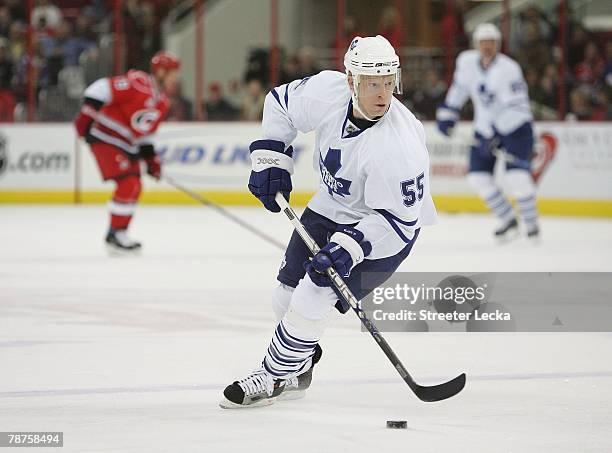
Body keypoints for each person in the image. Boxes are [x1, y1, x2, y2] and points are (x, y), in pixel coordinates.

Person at [221, 35, 436, 408]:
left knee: (312, 295)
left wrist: (349, 249)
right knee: (284, 298)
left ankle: (272, 376)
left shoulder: (399, 146)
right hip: (330, 206)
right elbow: (280, 104)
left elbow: (396, 222)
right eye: (373, 83)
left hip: (384, 232)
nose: (383, 94)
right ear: (351, 81)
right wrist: (272, 158)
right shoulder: (327, 91)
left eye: (389, 82)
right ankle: (299, 368)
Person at [436, 23, 539, 241]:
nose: (487, 46)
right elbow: (459, 89)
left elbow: (517, 107)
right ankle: (509, 220)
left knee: (517, 177)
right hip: (485, 130)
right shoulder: (467, 63)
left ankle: (531, 226)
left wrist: (497, 135)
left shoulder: (509, 69)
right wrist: (449, 112)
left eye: (491, 42)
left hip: (515, 129)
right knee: (477, 178)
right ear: (476, 44)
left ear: (498, 45)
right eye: (483, 42)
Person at [74, 51, 180, 253]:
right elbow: (102, 87)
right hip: (104, 135)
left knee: (134, 185)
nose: (176, 78)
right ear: (161, 71)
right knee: (128, 182)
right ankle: (115, 234)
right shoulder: (140, 82)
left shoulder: (162, 101)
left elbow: (145, 134)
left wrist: (151, 159)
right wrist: (86, 115)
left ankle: (118, 233)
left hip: (125, 143)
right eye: (173, 73)